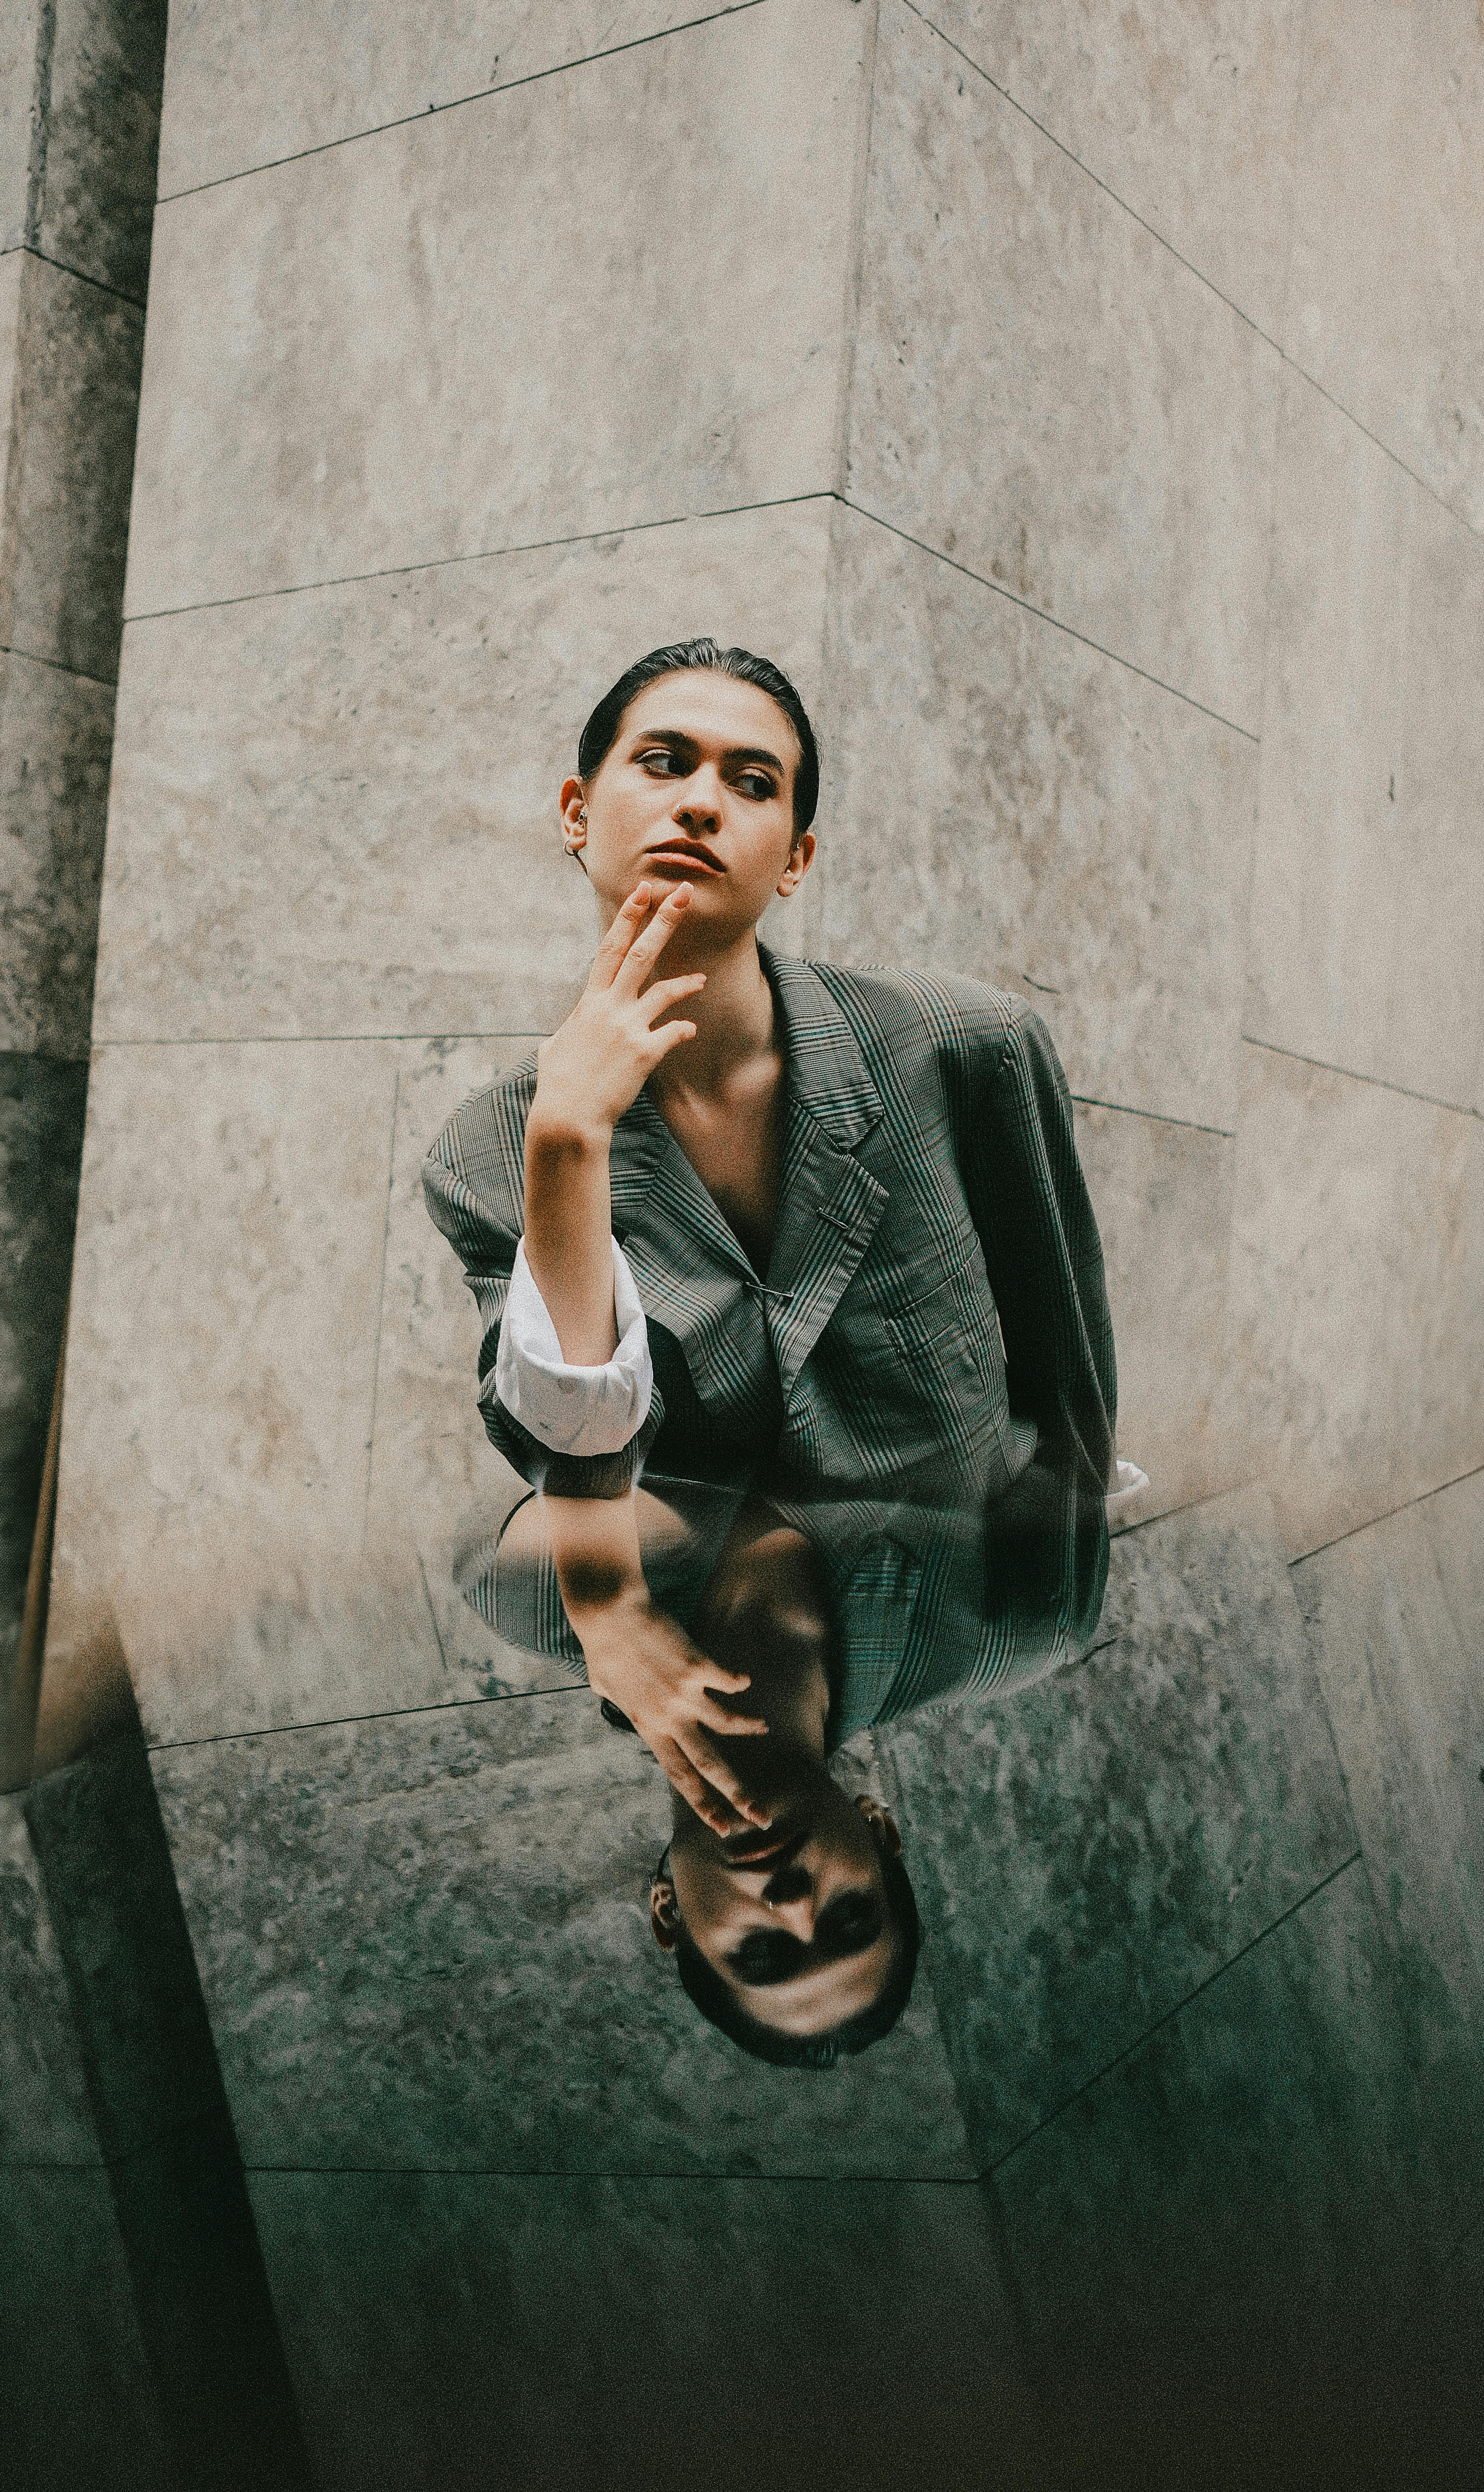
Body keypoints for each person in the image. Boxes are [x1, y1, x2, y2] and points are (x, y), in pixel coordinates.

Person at [423, 638, 1118, 2057]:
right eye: (662, 763)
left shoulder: (541, 1602)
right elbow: (1074, 1411)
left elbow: (558, 1440)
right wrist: (564, 1132)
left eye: (751, 783)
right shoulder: (1023, 1610)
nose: (795, 1905)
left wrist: (570, 1144)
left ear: (792, 856)